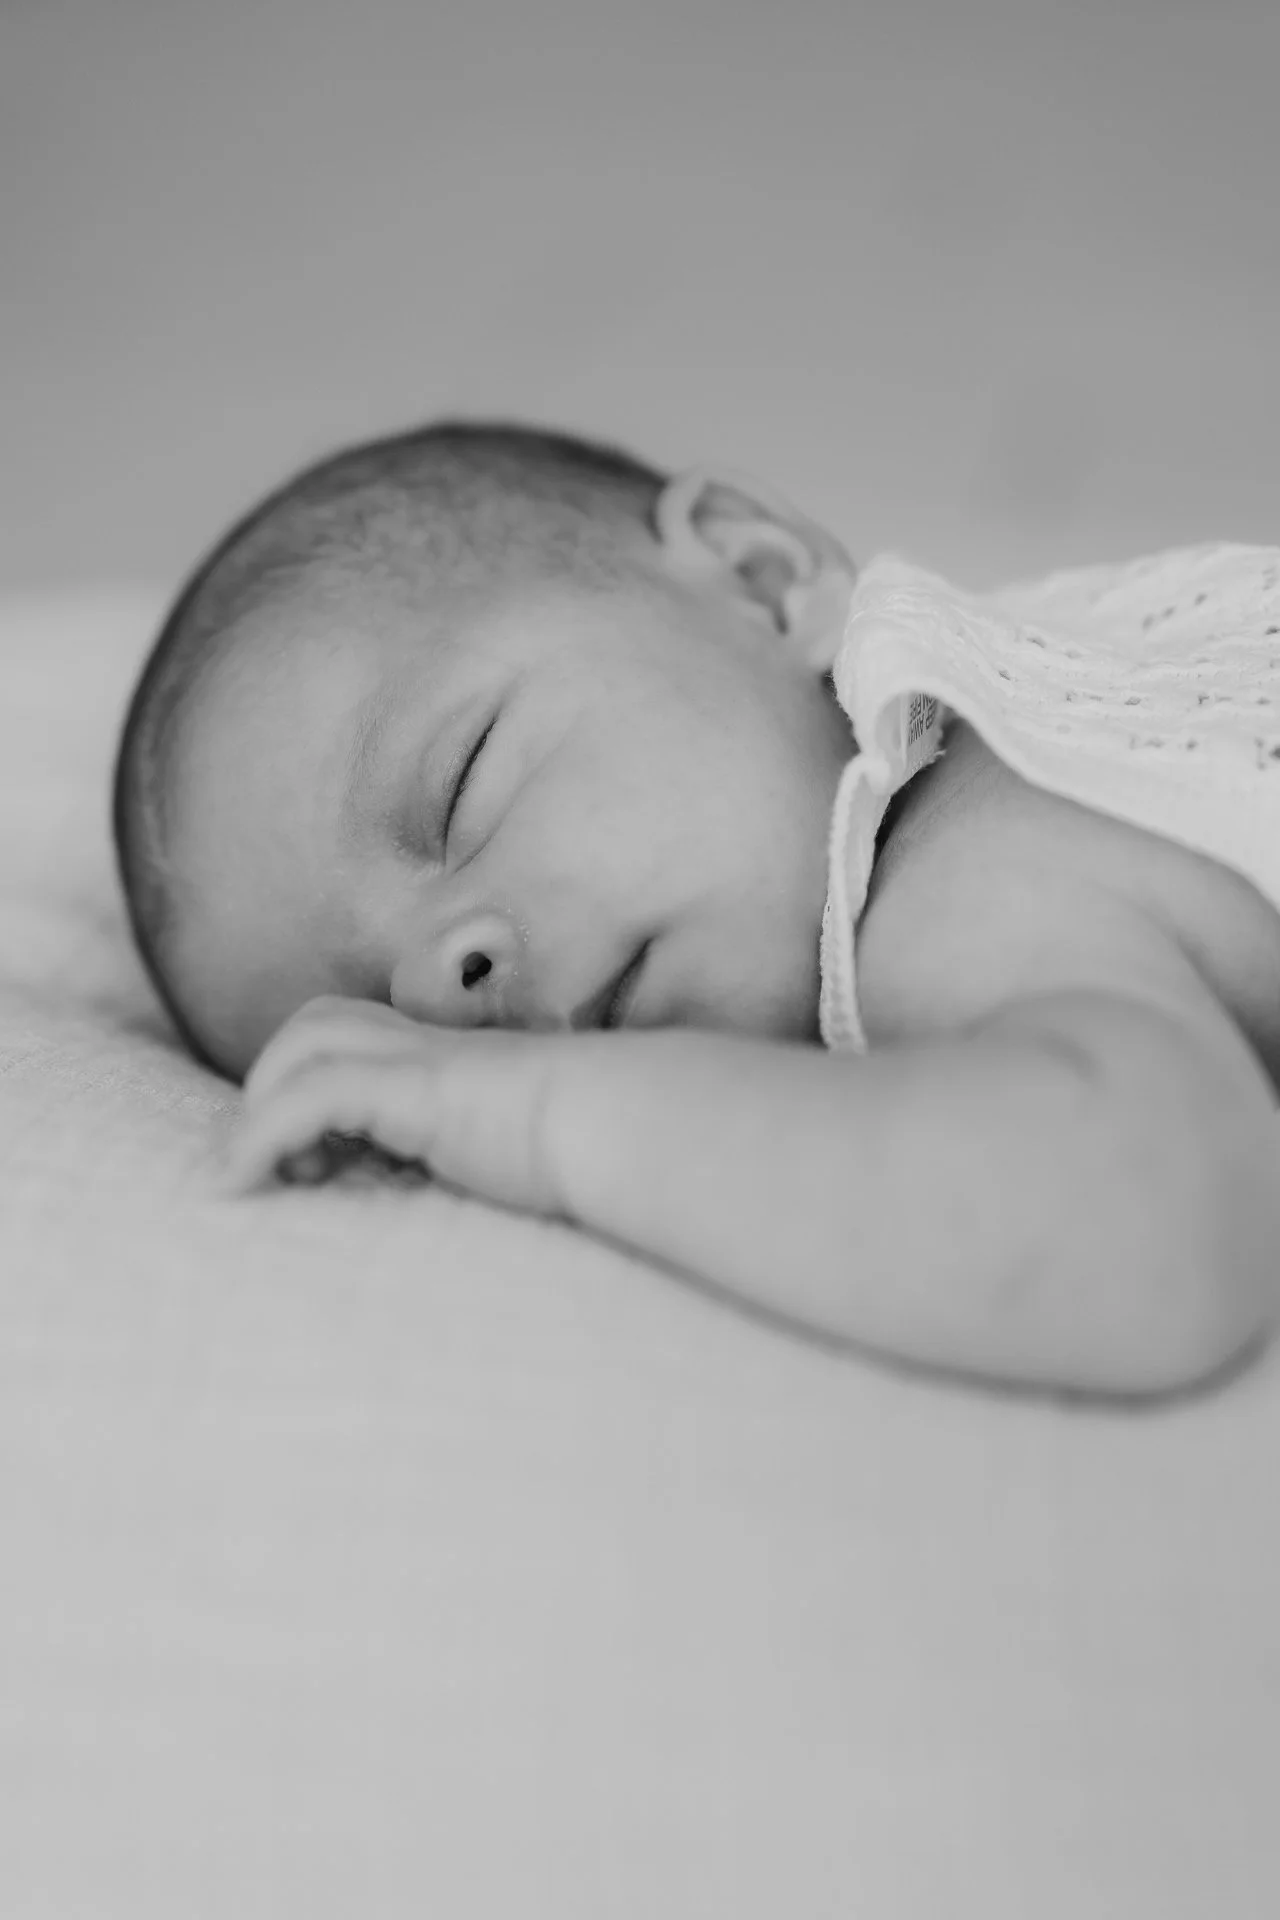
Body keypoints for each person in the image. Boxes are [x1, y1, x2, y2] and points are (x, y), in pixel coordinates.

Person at [112, 421, 1280, 1399]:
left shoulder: (960, 864)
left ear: (758, 577)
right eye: (380, 1018)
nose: (439, 981)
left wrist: (540, 1121)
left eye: (459, 789)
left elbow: (1149, 1240)